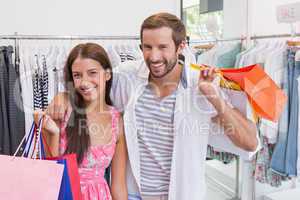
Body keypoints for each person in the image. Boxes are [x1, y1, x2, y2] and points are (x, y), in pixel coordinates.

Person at [47, 13, 258, 200]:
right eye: (147, 47)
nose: (154, 56)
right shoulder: (128, 77)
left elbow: (249, 142)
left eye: (163, 47)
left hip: (183, 193)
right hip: (133, 194)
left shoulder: (200, 84)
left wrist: (214, 97)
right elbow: (90, 83)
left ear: (181, 46)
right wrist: (63, 95)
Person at [35, 43, 128, 200]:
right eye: (77, 75)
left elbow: (118, 185)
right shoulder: (61, 110)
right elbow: (49, 172)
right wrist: (54, 132)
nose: (84, 82)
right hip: (64, 195)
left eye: (92, 73)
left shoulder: (116, 120)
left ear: (107, 74)